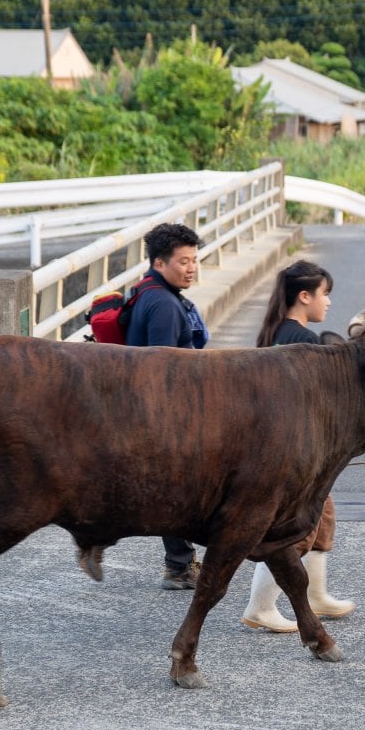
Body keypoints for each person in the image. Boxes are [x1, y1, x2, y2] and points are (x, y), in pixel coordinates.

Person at [240, 259, 356, 631]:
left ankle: (316, 595)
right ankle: (260, 607)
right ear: (304, 296)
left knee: (322, 517)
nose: (329, 302)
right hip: (294, 451)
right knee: (294, 526)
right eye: (325, 294)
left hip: (277, 444)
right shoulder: (305, 343)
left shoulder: (276, 333)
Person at [126, 221, 209, 587]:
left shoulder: (150, 291)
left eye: (194, 260)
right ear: (159, 263)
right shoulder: (163, 305)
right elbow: (163, 369)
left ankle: (182, 562)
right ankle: (179, 566)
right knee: (179, 488)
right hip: (164, 413)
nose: (191, 268)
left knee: (175, 488)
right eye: (183, 261)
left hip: (146, 408)